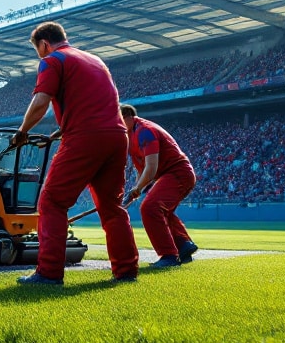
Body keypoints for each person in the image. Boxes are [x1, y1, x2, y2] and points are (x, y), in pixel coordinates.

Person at [13, 22, 140, 285]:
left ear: (44, 43)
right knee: (111, 206)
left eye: (37, 49)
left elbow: (41, 102)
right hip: (117, 136)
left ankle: (48, 273)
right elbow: (95, 102)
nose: (39, 54)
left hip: (85, 136)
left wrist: (23, 130)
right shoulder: (95, 60)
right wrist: (62, 129)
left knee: (52, 202)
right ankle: (127, 271)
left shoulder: (52, 59)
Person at [120, 104, 198, 268]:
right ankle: (184, 245)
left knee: (150, 207)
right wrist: (136, 188)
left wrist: (138, 189)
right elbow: (141, 169)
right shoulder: (131, 135)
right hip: (168, 175)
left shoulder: (145, 131)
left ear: (127, 116)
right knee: (161, 210)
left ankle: (168, 255)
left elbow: (151, 167)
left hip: (177, 173)